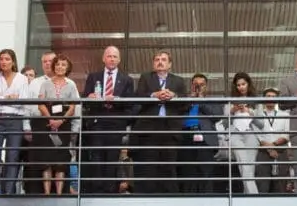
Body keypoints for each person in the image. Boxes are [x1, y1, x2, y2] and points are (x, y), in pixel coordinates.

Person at [134, 49, 188, 194]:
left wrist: (174, 96)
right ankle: (148, 199)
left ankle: (169, 199)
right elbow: (138, 97)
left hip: (170, 129)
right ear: (153, 63)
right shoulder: (145, 77)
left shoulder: (178, 80)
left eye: (163, 59)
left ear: (170, 64)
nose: (160, 62)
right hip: (149, 128)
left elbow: (186, 104)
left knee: (168, 165)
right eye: (157, 59)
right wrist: (154, 95)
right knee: (149, 166)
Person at [83, 43, 133, 194]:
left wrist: (117, 100)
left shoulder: (127, 80)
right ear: (103, 59)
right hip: (97, 122)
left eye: (115, 56)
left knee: (112, 159)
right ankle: (96, 192)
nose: (112, 59)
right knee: (96, 159)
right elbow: (84, 99)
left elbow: (131, 104)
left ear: (119, 60)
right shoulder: (93, 77)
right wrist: (89, 97)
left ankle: (110, 192)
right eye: (109, 56)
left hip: (115, 123)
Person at [0, 47, 30, 194]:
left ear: (13, 61)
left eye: (7, 59)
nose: (4, 62)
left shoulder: (22, 78)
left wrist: (1, 98)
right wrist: (8, 97)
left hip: (15, 120)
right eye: (1, 59)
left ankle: (8, 192)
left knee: (12, 157)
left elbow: (23, 101)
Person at [30, 55, 78, 194]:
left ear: (67, 68)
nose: (60, 67)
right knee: (46, 161)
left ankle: (59, 193)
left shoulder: (71, 85)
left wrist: (61, 120)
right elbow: (40, 104)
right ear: (54, 66)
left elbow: (72, 107)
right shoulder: (45, 84)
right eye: (57, 64)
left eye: (63, 65)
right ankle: (46, 193)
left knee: (60, 162)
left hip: (63, 125)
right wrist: (51, 119)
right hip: (47, 123)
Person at [223, 72, 266, 193]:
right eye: (238, 85)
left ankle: (247, 199)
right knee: (244, 165)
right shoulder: (231, 101)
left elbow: (261, 124)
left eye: (243, 84)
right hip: (236, 135)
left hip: (251, 135)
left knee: (248, 169)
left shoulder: (256, 101)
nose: (241, 87)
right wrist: (232, 111)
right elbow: (224, 124)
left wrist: (249, 111)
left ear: (248, 84)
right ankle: (254, 197)